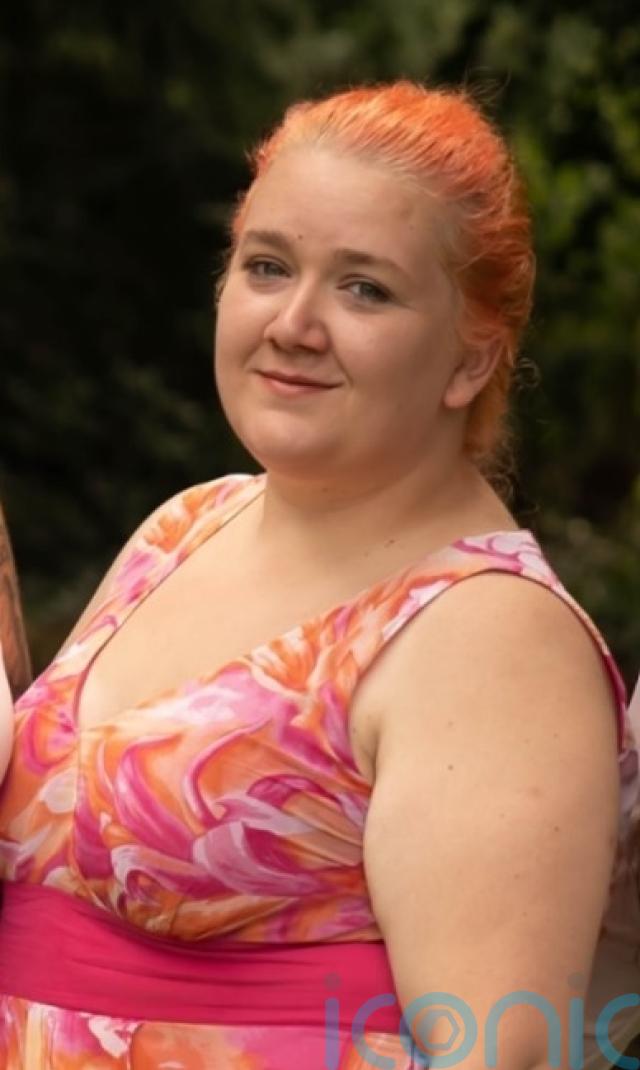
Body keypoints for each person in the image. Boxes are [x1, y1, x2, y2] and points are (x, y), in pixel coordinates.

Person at [0, 80, 638, 1070]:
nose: (294, 322)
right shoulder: (184, 526)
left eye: (364, 288)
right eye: (267, 266)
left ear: (470, 361)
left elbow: (501, 1054)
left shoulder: (491, 636)